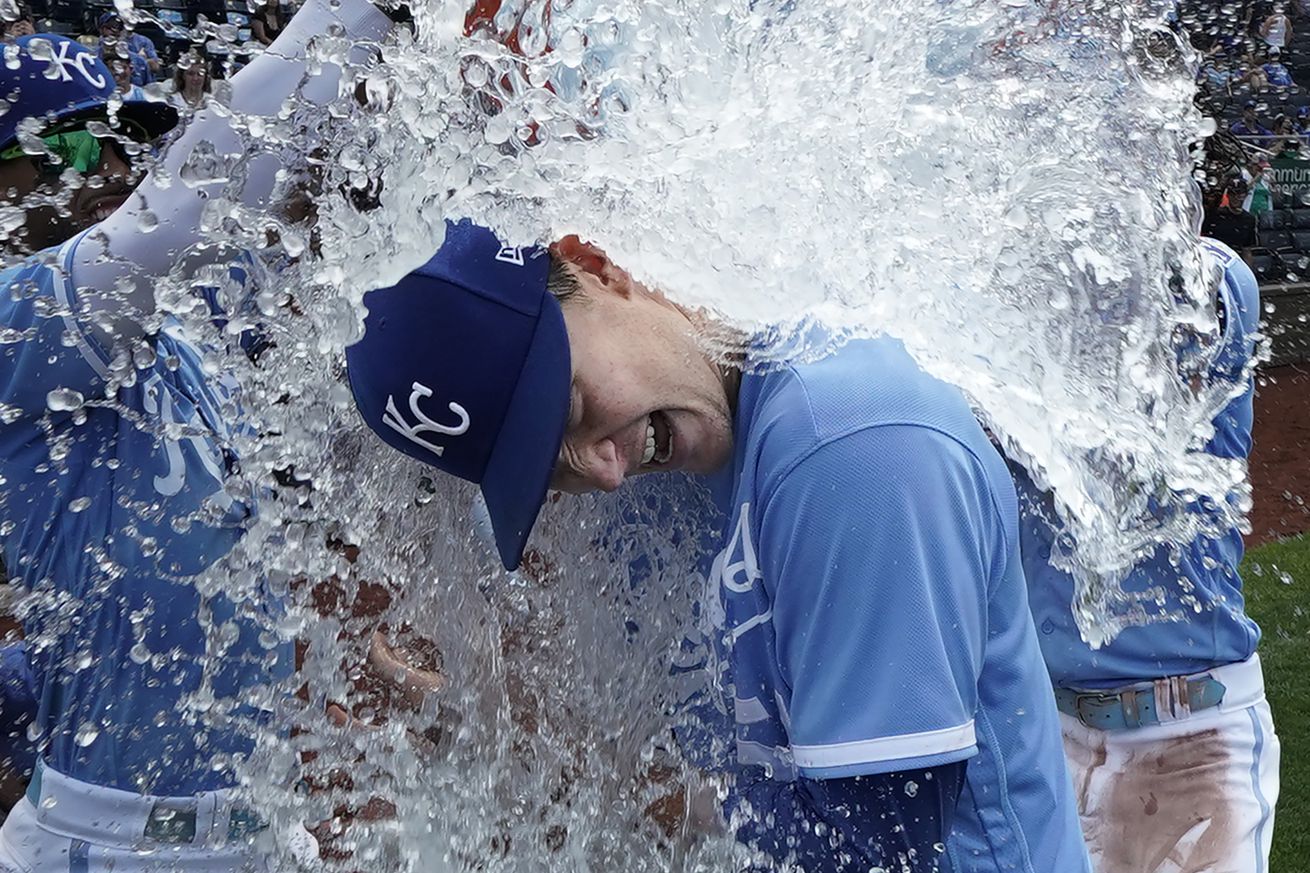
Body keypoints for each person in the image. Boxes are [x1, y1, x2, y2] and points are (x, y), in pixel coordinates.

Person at [342, 224, 1093, 872]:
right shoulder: (673, 461)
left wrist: (629, 782)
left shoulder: (853, 447)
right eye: (549, 465)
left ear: (599, 263)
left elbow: (877, 850)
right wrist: (486, 721)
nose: (604, 470)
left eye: (568, 404)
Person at [0, 2, 400, 869]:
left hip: (259, 830)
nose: (103, 165)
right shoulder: (12, 325)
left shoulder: (186, 319)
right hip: (110, 843)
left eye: (118, 137)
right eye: (64, 148)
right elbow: (178, 211)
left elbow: (306, 200)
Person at [1010, 238, 1278, 873]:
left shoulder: (1205, 274)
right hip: (1056, 734)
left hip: (1196, 737)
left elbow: (1187, 306)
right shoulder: (1011, 298)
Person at [1202, 179, 1259, 265]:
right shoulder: (1215, 214)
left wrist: (1249, 272)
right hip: (1214, 259)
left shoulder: (1249, 219)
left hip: (1235, 261)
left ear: (1245, 196)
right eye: (1232, 194)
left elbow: (1246, 249)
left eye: (1239, 195)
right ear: (1228, 195)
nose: (1235, 198)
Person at [96, 12, 161, 86]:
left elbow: (149, 90)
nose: (114, 30)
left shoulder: (140, 62)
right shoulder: (92, 60)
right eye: (109, 27)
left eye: (119, 27)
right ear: (101, 29)